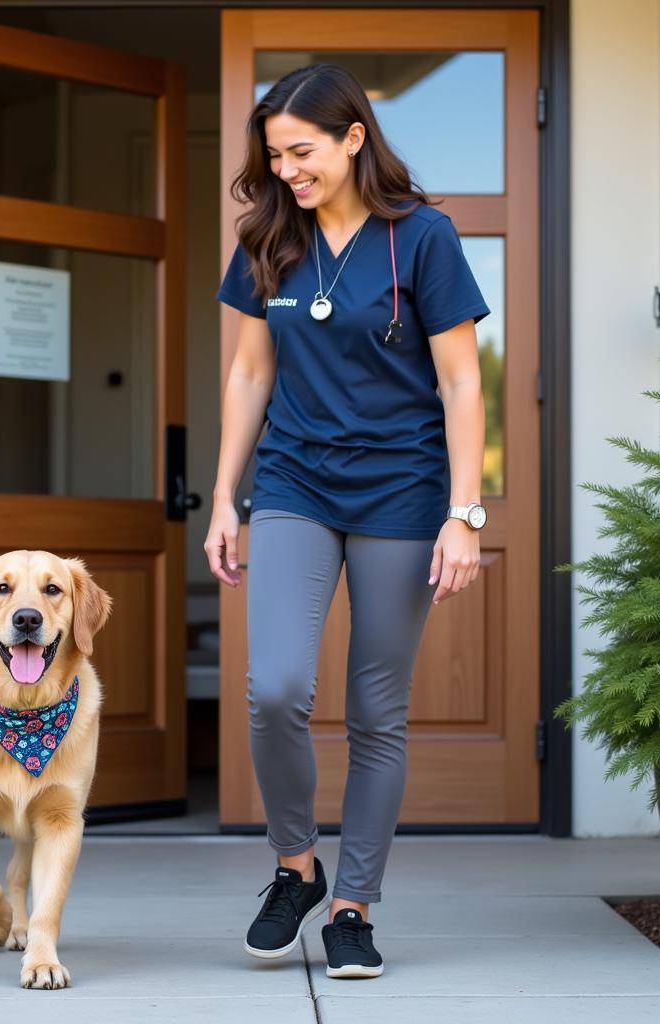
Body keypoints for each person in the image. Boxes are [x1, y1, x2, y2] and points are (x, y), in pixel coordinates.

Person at [205, 63, 490, 980]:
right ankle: (296, 865)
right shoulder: (268, 240)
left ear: (354, 138)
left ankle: (355, 907)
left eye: (303, 151)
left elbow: (461, 382)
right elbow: (251, 374)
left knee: (376, 710)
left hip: (402, 497)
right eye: (275, 154)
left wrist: (464, 513)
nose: (287, 170)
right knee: (277, 687)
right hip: (294, 483)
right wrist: (223, 496)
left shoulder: (425, 239)